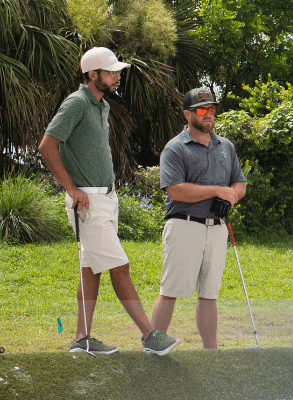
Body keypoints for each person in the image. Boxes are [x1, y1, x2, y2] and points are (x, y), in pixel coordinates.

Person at [38, 47, 182, 355]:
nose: (118, 76)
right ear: (93, 75)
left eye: (118, 71)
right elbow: (47, 146)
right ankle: (150, 336)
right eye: (112, 71)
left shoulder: (101, 105)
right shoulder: (77, 103)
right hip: (86, 202)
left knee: (91, 270)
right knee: (120, 266)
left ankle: (81, 338)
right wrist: (72, 189)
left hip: (106, 199)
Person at [151, 87, 247, 349]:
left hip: (216, 228)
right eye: (202, 110)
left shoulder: (225, 146)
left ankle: (210, 351)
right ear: (187, 114)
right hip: (184, 225)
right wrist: (217, 190)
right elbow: (175, 189)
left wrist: (231, 196)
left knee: (209, 295)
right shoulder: (175, 148)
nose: (209, 115)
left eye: (212, 110)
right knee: (170, 290)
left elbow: (239, 183)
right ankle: (154, 345)